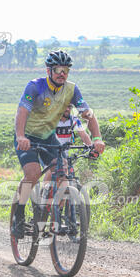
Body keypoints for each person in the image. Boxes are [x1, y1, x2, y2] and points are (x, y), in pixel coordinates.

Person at [13, 50, 105, 237]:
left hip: (48, 137)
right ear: (49, 70)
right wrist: (21, 136)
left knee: (62, 174)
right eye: (58, 70)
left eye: (66, 70)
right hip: (28, 136)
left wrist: (96, 139)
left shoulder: (71, 89)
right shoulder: (35, 86)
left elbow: (88, 114)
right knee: (33, 173)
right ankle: (19, 215)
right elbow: (21, 112)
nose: (62, 73)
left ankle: (47, 213)